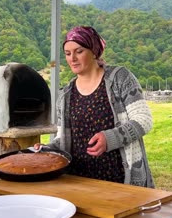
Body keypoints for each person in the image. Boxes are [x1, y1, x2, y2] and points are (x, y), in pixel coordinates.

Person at [37, 26, 154, 188]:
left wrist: (111, 138)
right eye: (68, 53)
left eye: (79, 51)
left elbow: (144, 120)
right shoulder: (65, 95)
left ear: (93, 51)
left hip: (120, 181)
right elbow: (62, 140)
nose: (73, 59)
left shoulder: (120, 78)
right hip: (79, 183)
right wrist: (45, 150)